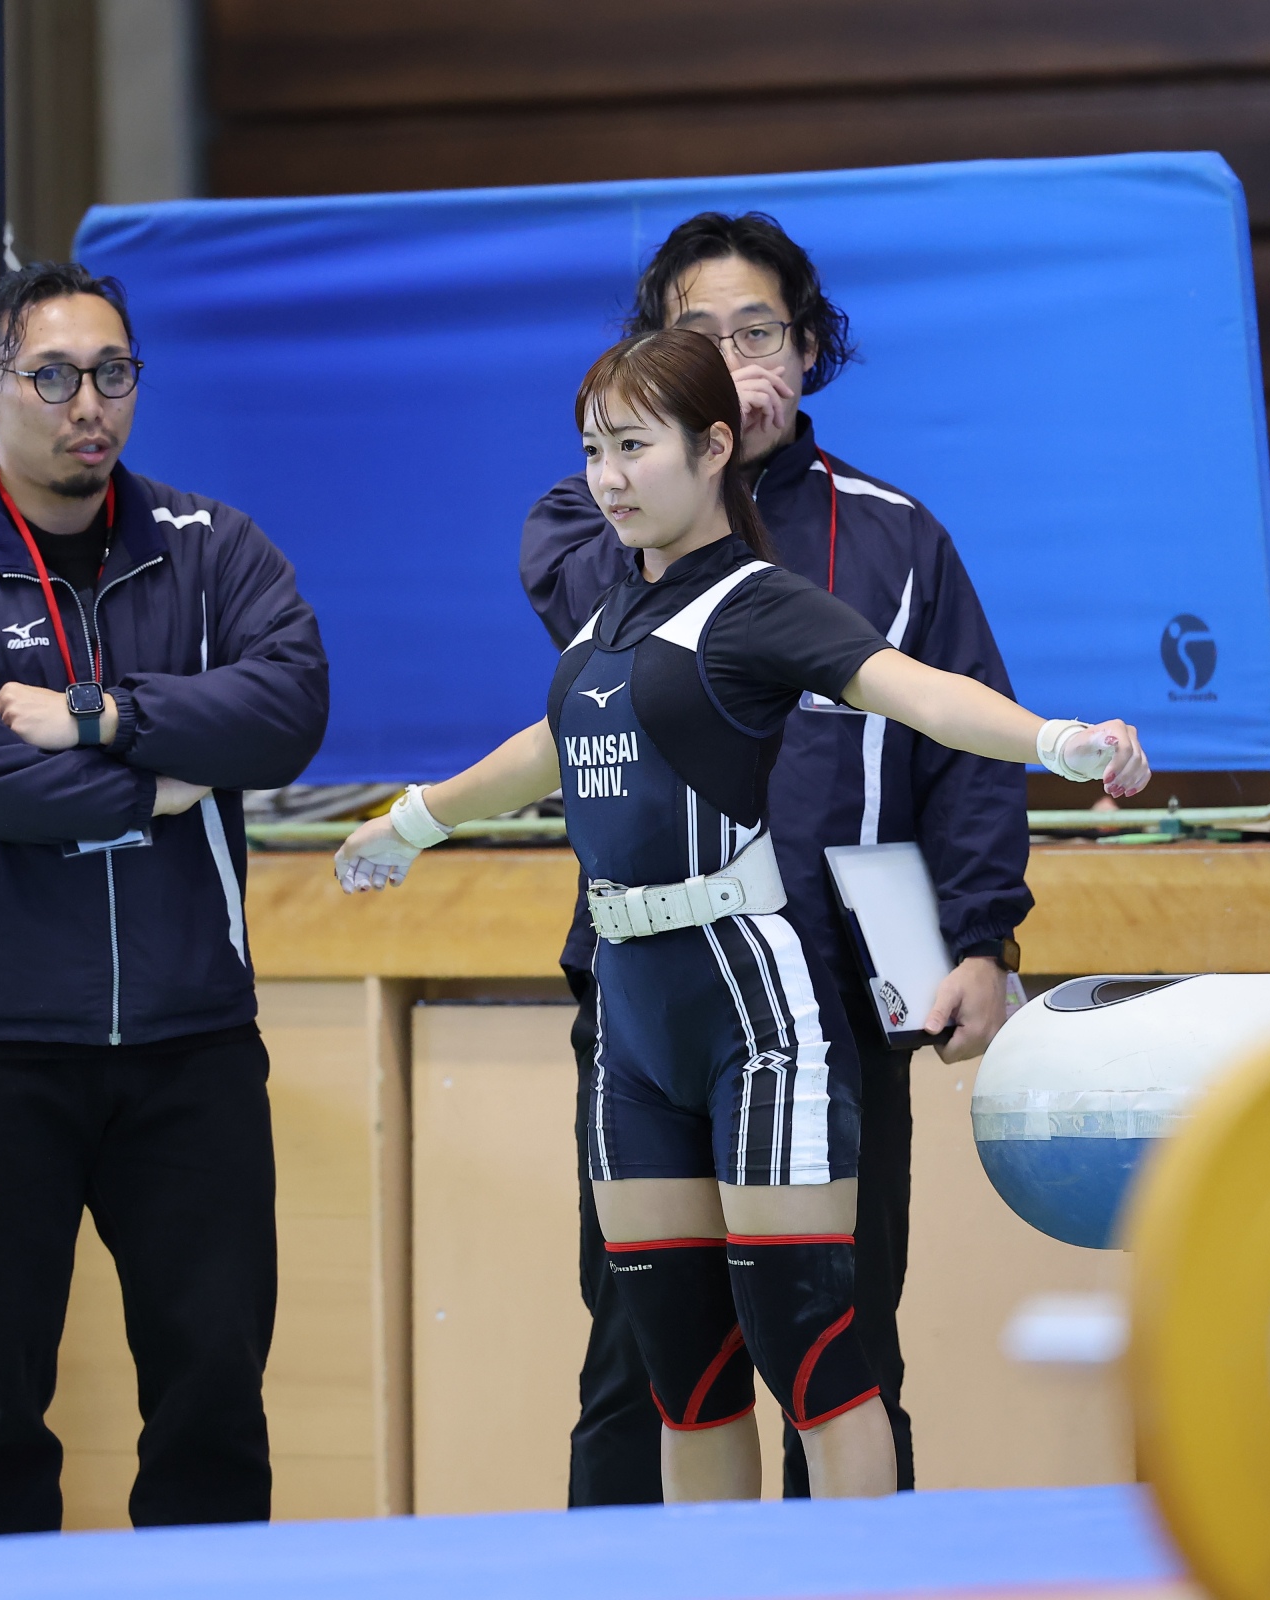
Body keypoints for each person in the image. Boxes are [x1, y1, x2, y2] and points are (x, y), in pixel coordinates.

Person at [335, 327, 1146, 1501]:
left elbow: (918, 693)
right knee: (685, 1374)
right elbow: (551, 745)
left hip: (756, 1016)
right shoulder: (611, 613)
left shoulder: (757, 604)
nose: (606, 476)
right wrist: (411, 822)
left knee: (815, 1357)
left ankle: (856, 1583)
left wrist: (1060, 742)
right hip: (632, 1025)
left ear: (714, 447)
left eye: (633, 447)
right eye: (592, 450)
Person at [522, 212, 1029, 1501]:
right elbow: (597, 619)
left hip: (834, 992)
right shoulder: (596, 517)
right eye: (697, 335)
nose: (734, 358)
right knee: (645, 1356)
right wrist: (697, 466)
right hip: (652, 990)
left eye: (758, 333)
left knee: (837, 1339)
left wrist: (984, 938)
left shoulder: (896, 534)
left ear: (807, 351)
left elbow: (965, 746)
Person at [0, 261, 330, 1534]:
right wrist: (155, 788)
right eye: (53, 376)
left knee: (214, 1404)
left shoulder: (214, 548)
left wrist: (99, 715)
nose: (87, 404)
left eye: (113, 373)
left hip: (193, 1050)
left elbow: (290, 710)